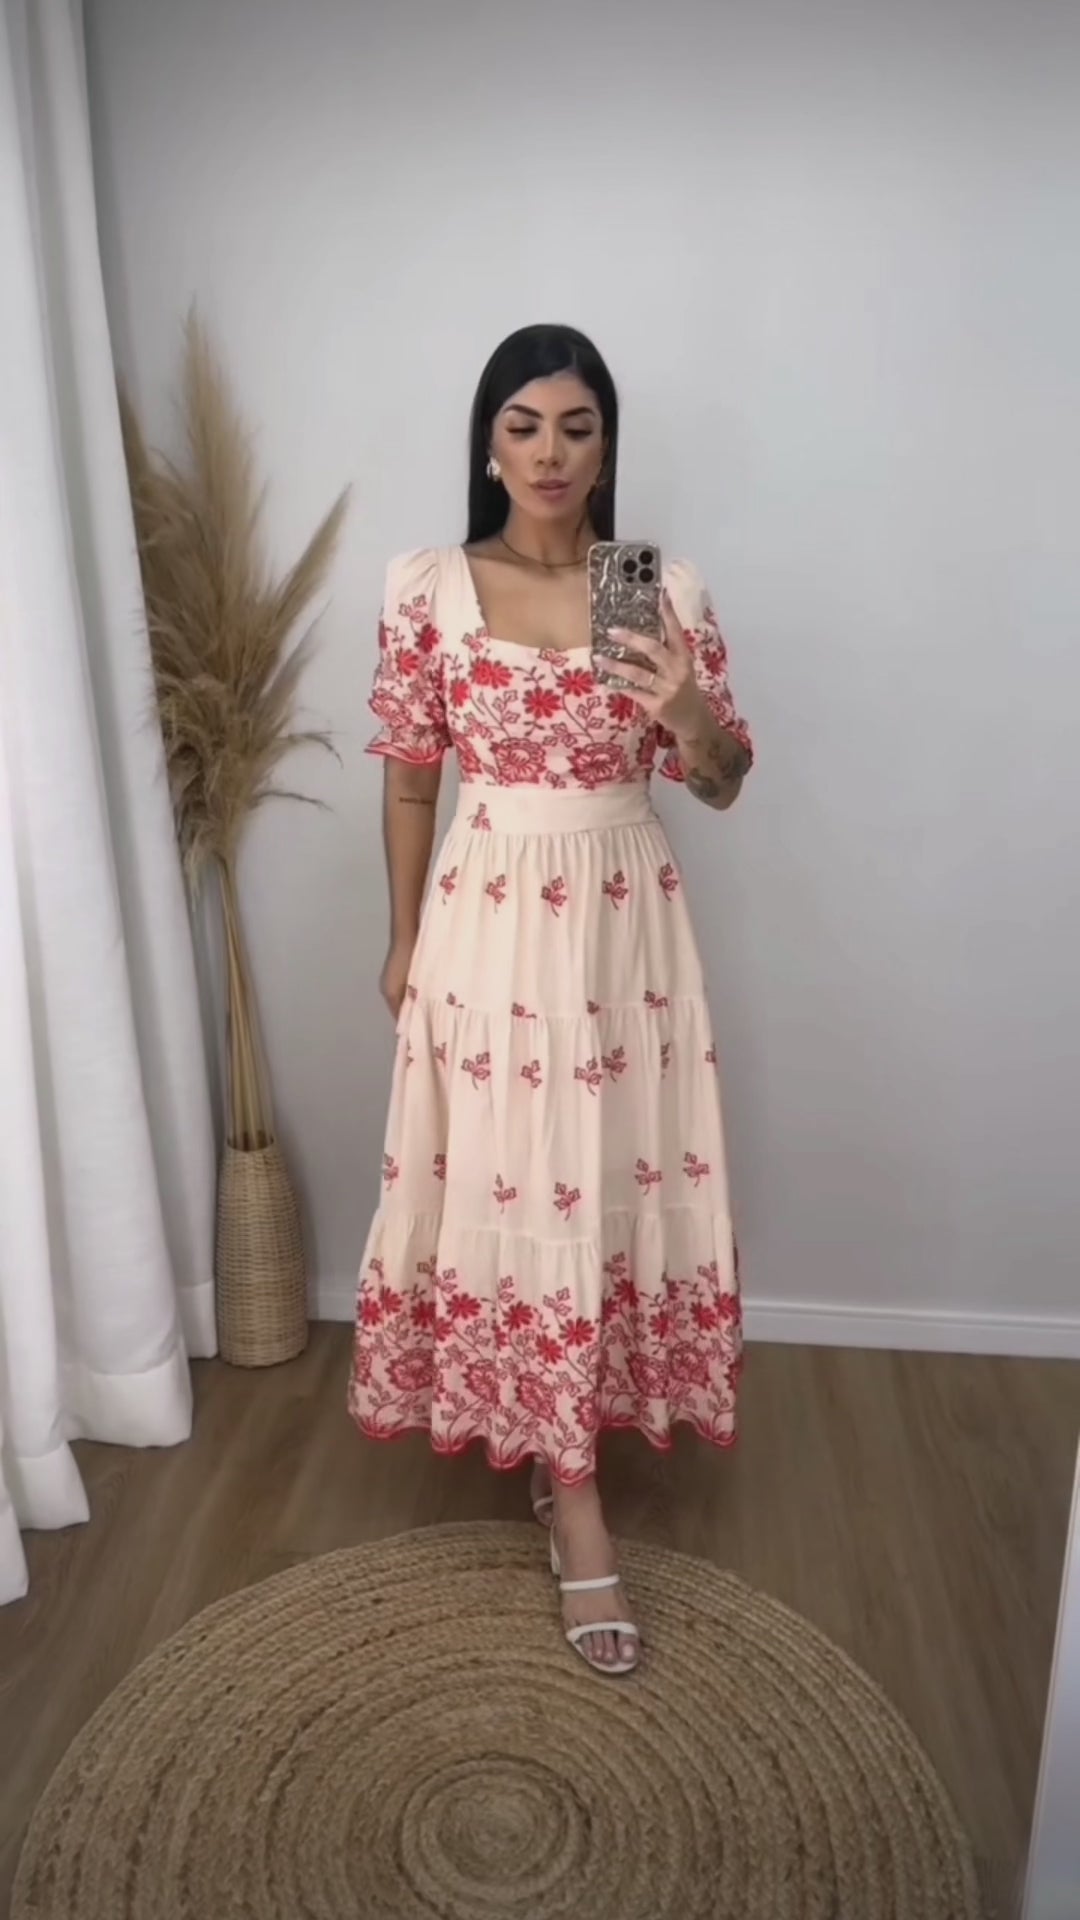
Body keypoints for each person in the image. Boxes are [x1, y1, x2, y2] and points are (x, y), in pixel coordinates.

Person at [349, 324, 753, 1677]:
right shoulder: (429, 586)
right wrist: (403, 940)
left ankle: (570, 1466)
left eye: (577, 427)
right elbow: (413, 777)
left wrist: (689, 711)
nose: (550, 453)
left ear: (606, 445)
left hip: (622, 927)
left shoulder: (650, 588)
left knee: (603, 1180)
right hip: (487, 917)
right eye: (524, 425)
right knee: (509, 1182)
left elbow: (722, 780)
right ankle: (567, 1484)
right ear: (488, 442)